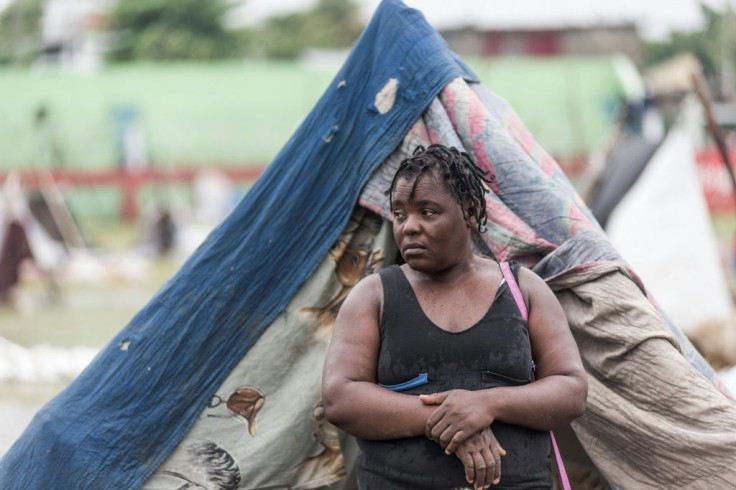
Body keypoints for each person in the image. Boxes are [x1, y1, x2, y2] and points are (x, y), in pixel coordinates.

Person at [322, 144, 587, 489]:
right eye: (400, 215)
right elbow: (341, 397)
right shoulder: (374, 295)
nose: (409, 227)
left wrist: (489, 403)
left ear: (469, 210)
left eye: (427, 212)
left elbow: (571, 389)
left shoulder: (522, 290)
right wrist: (447, 419)